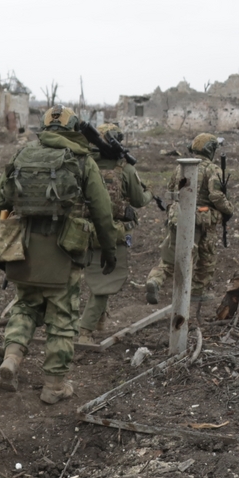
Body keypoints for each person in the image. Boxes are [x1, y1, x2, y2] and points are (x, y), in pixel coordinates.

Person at [0, 106, 117, 404]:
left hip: (23, 248)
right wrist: (108, 251)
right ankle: (54, 386)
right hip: (63, 250)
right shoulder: (81, 160)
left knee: (25, 305)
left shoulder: (22, 156)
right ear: (73, 130)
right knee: (62, 316)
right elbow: (102, 211)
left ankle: (12, 358)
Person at [79, 123, 154, 343]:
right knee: (106, 281)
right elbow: (139, 200)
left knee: (92, 277)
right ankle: (85, 331)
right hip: (113, 233)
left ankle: (100, 320)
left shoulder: (83, 165)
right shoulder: (125, 169)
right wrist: (149, 193)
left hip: (81, 230)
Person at [145, 132, 234, 304]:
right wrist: (228, 209)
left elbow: (171, 191)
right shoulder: (212, 169)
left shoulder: (181, 167)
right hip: (202, 221)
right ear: (210, 150)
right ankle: (197, 291)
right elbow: (216, 196)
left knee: (171, 255)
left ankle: (155, 280)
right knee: (206, 257)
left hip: (179, 216)